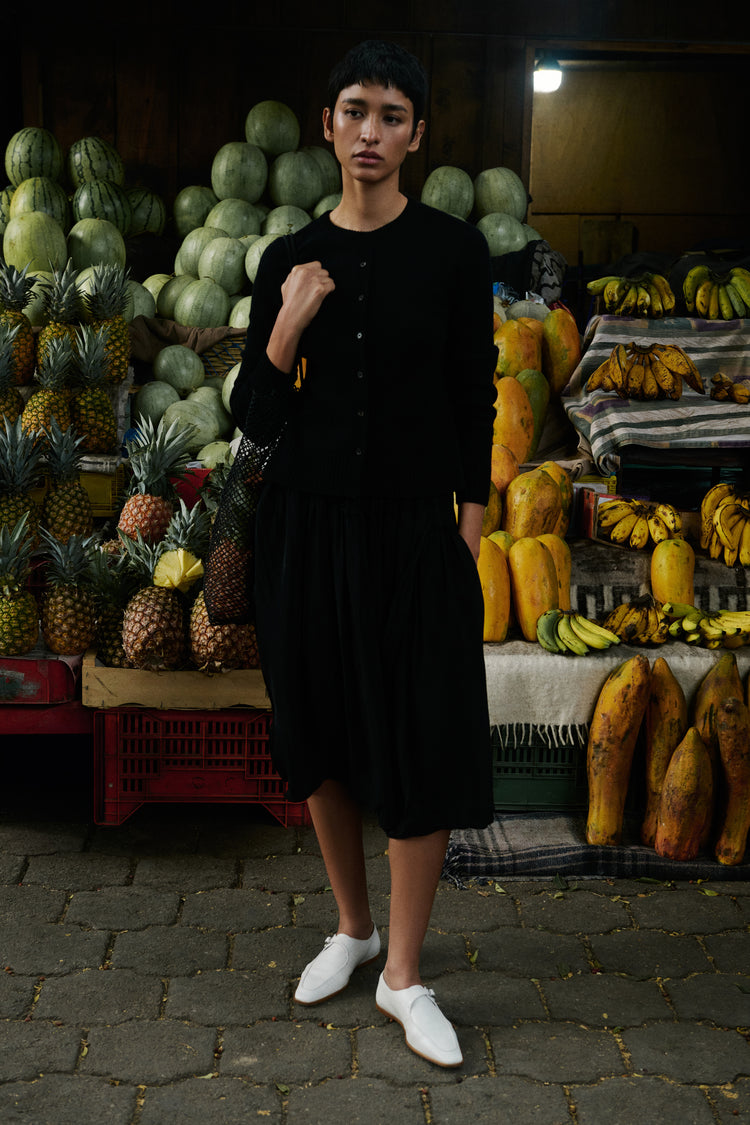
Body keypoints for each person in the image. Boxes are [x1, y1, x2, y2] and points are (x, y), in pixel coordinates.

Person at [230, 39, 498, 1068]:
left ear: (416, 135)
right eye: (355, 111)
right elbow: (255, 419)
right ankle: (354, 928)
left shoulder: (453, 253)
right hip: (305, 525)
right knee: (322, 725)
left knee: (423, 732)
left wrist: (468, 526)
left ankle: (405, 976)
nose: (371, 132)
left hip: (414, 530)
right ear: (328, 125)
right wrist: (288, 323)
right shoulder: (287, 260)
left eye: (392, 115)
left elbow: (474, 397)